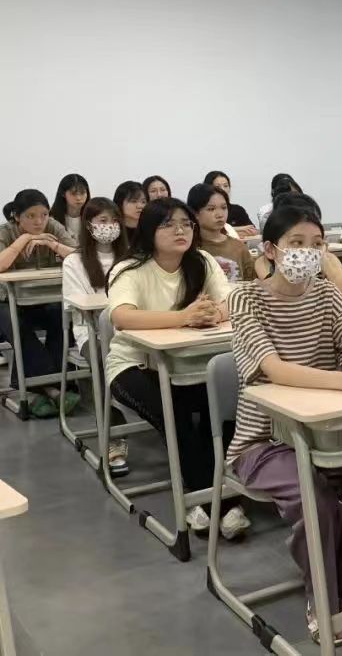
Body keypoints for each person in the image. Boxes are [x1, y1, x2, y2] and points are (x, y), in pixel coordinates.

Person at [229, 204, 342, 644]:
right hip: (264, 443)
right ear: (271, 249)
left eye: (316, 244)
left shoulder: (325, 293)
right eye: (296, 243)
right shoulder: (245, 297)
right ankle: (321, 599)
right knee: (317, 499)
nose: (307, 252)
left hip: (323, 435)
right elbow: (274, 369)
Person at [105, 198, 250, 538]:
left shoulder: (202, 261)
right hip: (134, 365)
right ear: (148, 231)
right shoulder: (130, 269)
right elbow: (122, 317)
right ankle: (218, 502)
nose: (180, 230)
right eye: (168, 224)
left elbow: (231, 301)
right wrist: (183, 317)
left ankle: (210, 496)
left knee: (228, 405)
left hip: (190, 364)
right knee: (177, 417)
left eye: (186, 223)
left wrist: (214, 314)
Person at [62, 197, 131, 474]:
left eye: (114, 220)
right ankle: (114, 434)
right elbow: (78, 306)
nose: (110, 226)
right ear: (88, 225)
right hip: (90, 332)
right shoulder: (74, 261)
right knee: (105, 360)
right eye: (103, 221)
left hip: (130, 329)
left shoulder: (131, 257)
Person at [0, 189, 78, 417]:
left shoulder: (52, 227)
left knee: (61, 315)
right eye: (31, 216)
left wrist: (53, 245)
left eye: (44, 215)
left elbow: (78, 257)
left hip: (41, 299)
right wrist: (24, 240)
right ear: (17, 217)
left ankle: (41, 388)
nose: (39, 221)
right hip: (4, 301)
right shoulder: (5, 232)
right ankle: (54, 387)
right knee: (16, 323)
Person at [254, 194, 342, 306]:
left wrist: (324, 263)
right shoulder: (264, 261)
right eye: (297, 242)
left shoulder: (327, 258)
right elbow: (274, 295)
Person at [187, 184, 256, 283]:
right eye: (211, 209)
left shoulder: (239, 247)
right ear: (195, 213)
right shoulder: (189, 248)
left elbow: (251, 283)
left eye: (224, 208)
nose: (220, 215)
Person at [203, 171, 258, 237]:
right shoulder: (205, 210)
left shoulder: (238, 210)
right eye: (218, 186)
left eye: (226, 186)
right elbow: (210, 233)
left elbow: (253, 231)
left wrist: (227, 232)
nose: (223, 189)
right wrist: (239, 229)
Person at [49, 173, 90, 239]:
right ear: (63, 194)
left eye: (82, 193)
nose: (78, 198)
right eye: (73, 193)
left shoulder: (92, 217)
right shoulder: (51, 219)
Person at [113, 181, 147, 246]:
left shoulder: (151, 229)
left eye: (143, 202)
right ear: (120, 203)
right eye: (133, 201)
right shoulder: (112, 231)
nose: (140, 206)